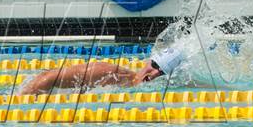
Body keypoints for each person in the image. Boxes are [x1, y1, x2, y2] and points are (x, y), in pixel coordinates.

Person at [18, 45, 183, 95]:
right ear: (148, 60)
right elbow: (49, 76)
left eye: (162, 72)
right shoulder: (109, 73)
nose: (153, 74)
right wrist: (22, 100)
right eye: (154, 65)